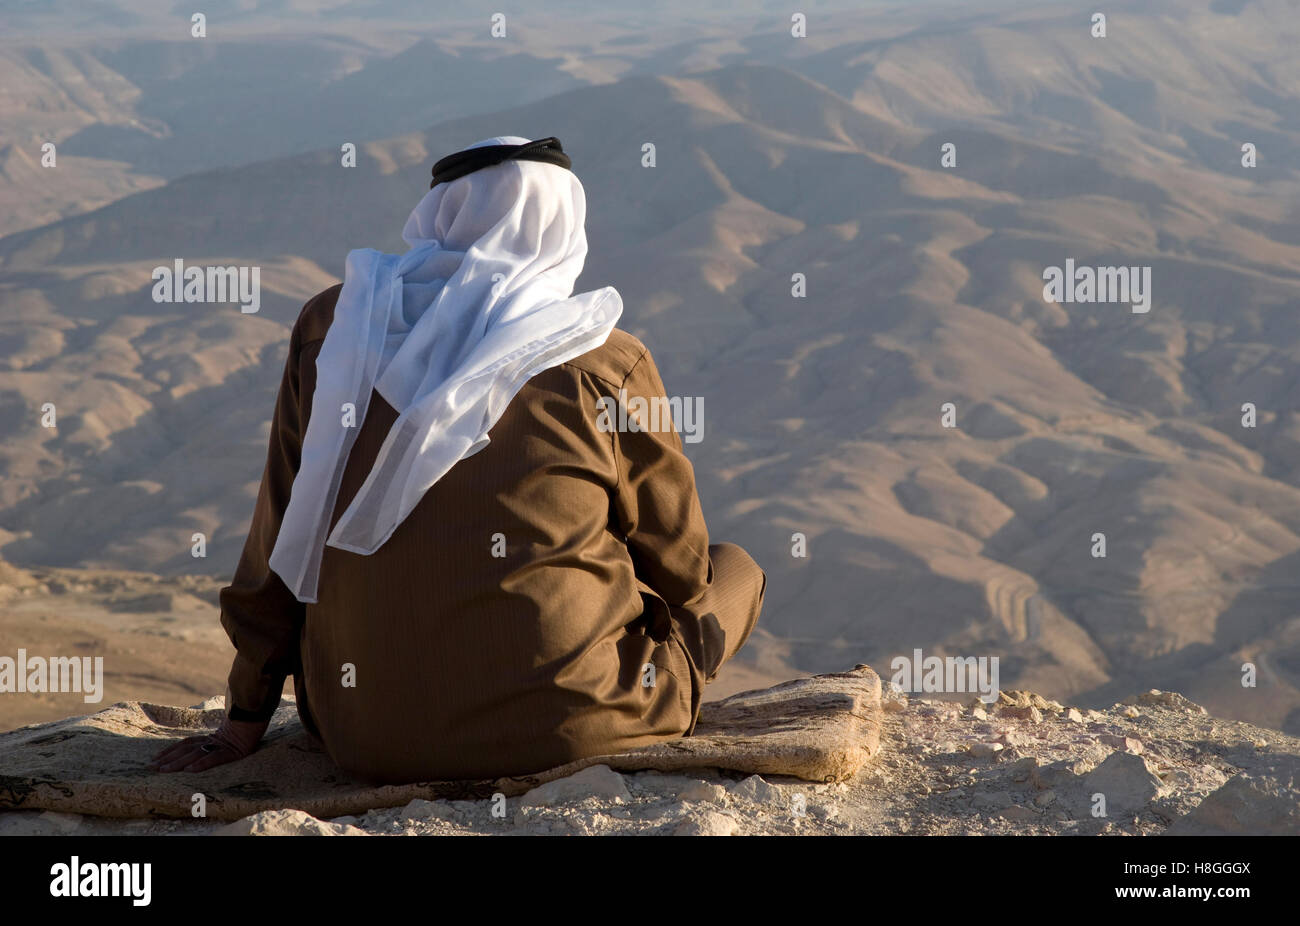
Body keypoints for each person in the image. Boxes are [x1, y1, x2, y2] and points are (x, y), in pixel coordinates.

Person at [150, 135, 765, 783]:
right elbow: (680, 567)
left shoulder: (336, 325)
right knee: (735, 570)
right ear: (563, 223)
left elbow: (279, 536)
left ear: (442, 211)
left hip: (359, 736)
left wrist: (245, 715)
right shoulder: (604, 360)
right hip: (572, 731)